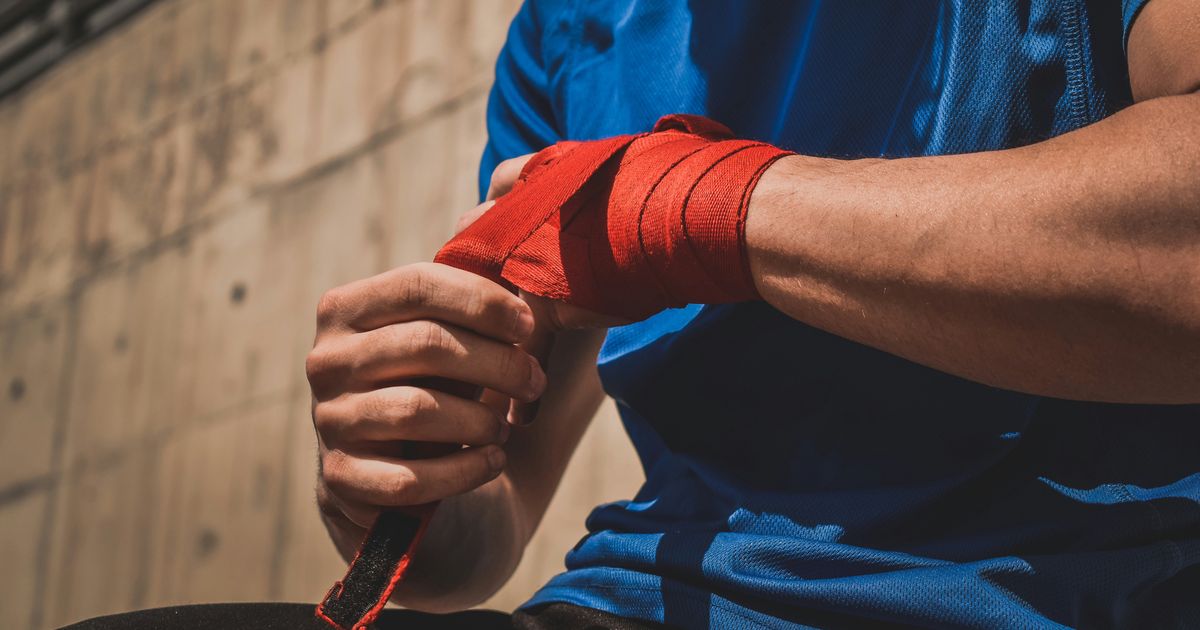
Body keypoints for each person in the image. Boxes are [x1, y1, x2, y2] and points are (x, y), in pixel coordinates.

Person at [303, 1, 1200, 628]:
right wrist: (399, 474)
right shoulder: (562, 27)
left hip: (1068, 594)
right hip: (643, 599)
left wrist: (707, 212)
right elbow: (489, 525)